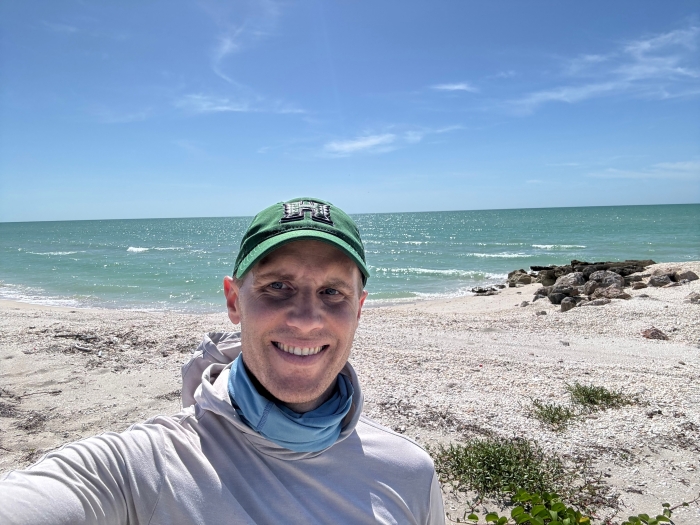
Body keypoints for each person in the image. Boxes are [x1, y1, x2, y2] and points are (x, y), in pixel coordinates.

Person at [0, 197, 445, 524]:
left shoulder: (409, 472)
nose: (308, 320)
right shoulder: (148, 466)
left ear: (359, 308)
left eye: (332, 292)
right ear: (234, 301)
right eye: (278, 286)